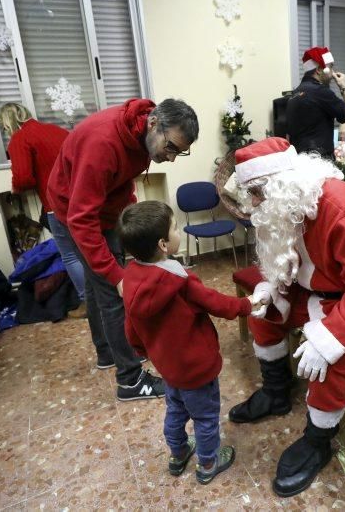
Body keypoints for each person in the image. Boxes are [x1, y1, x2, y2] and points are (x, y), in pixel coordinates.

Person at [228, 137, 345, 497]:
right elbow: (294, 260)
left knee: (325, 354)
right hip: (318, 287)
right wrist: (272, 287)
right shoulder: (291, 204)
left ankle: (318, 439)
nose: (254, 204)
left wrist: (330, 336)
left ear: (280, 184)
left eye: (258, 193)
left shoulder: (340, 207)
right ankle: (276, 392)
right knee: (263, 314)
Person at [47, 98, 199, 400]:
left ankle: (107, 352)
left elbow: (122, 183)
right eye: (171, 148)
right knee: (113, 292)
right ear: (153, 123)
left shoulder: (141, 136)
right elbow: (81, 218)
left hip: (101, 209)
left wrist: (134, 222)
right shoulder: (103, 143)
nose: (171, 158)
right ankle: (130, 380)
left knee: (96, 288)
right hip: (75, 214)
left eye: (179, 153)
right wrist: (115, 275)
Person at [117, 201, 266, 483]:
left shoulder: (130, 278)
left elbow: (131, 326)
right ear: (163, 244)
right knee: (206, 417)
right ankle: (208, 464)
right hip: (197, 367)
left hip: (168, 367)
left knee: (176, 410)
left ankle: (178, 454)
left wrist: (141, 349)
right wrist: (246, 304)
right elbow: (215, 303)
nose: (178, 232)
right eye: (174, 228)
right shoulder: (178, 278)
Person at [0, 103, 85, 318]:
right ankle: (104, 297)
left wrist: (15, 188)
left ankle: (87, 303)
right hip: (83, 200)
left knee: (70, 256)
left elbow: (24, 177)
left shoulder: (20, 138)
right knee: (87, 253)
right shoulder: (57, 130)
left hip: (56, 204)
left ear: (8, 122)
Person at [286, 46, 345, 158]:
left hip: (300, 161)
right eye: (331, 67)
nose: (333, 73)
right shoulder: (320, 92)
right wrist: (343, 87)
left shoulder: (294, 94)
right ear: (320, 70)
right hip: (320, 163)